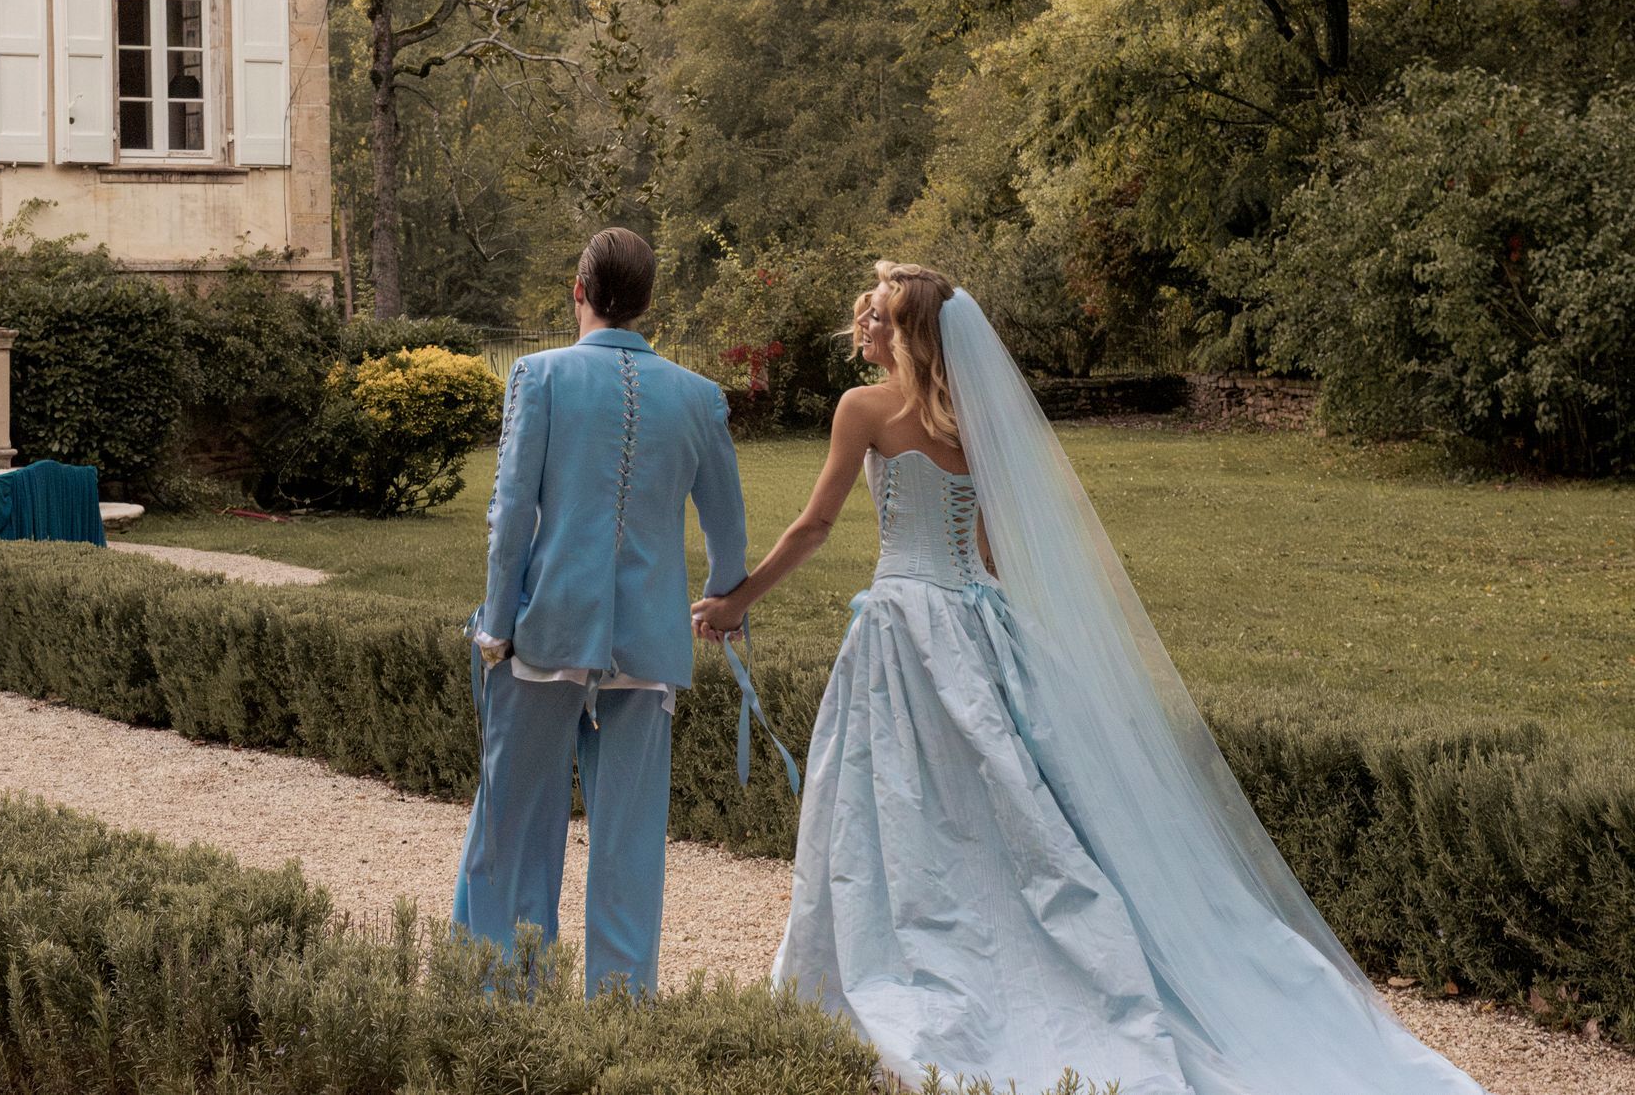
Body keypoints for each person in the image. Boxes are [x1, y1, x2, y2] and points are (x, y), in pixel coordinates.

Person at [691, 261, 1488, 1095]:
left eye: (879, 316)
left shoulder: (865, 410)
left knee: (895, 800)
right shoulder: (973, 420)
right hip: (975, 619)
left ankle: (913, 962)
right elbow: (992, 550)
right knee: (1012, 806)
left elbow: (816, 524)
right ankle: (1012, 956)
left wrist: (737, 599)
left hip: (901, 627)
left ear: (909, 334)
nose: (864, 325)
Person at [455, 226, 750, 996]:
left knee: (512, 831)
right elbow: (728, 527)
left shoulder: (539, 377)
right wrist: (722, 602)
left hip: (543, 633)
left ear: (577, 291)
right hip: (649, 647)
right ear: (650, 302)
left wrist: (495, 623)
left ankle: (505, 999)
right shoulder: (698, 396)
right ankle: (620, 1014)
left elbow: (511, 515)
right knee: (628, 845)